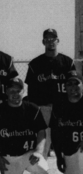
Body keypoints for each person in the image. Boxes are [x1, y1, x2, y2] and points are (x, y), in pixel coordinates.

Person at [0, 78, 49, 174]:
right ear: (6, 91)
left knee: (42, 167)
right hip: (9, 158)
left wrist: (38, 151)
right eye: (11, 90)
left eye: (18, 90)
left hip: (28, 154)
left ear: (23, 92)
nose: (15, 94)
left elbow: (41, 131)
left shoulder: (32, 108)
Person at [25, 29, 76, 159]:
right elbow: (30, 90)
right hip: (43, 108)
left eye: (53, 38)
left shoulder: (67, 62)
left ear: (58, 41)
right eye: (47, 39)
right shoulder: (35, 64)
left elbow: (74, 86)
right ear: (43, 42)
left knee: (65, 140)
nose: (50, 41)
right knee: (44, 141)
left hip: (63, 107)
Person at [50, 72, 83, 174]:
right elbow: (55, 133)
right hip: (70, 152)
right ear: (64, 87)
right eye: (69, 83)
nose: (73, 87)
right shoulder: (60, 105)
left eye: (77, 83)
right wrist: (59, 156)